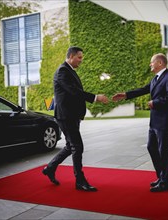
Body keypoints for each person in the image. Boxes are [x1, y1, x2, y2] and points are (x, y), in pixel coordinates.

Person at [42, 46, 108, 192]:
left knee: (70, 146)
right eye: (79, 57)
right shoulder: (62, 71)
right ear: (71, 56)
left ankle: (50, 168)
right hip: (66, 116)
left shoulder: (69, 71)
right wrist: (96, 98)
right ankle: (80, 181)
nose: (81, 60)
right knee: (77, 147)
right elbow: (74, 92)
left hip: (71, 116)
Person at [112, 53, 168, 192]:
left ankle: (165, 182)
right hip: (154, 121)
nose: (150, 64)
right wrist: (126, 95)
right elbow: (143, 89)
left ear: (160, 63)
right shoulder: (156, 78)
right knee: (151, 147)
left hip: (165, 121)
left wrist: (155, 102)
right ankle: (162, 176)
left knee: (163, 150)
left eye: (152, 62)